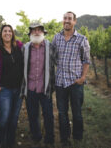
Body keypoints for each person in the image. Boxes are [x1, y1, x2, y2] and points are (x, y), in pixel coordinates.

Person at [52, 11, 90, 146]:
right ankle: (64, 137)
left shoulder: (81, 39)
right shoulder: (56, 38)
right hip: (60, 82)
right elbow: (53, 57)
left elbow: (86, 60)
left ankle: (78, 137)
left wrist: (82, 77)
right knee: (62, 113)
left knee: (77, 112)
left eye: (70, 19)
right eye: (65, 18)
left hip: (75, 82)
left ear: (75, 21)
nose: (67, 21)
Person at [0, 24, 24, 148]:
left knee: (14, 118)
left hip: (19, 88)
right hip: (4, 90)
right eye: (4, 31)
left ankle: (10, 141)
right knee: (5, 117)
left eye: (9, 31)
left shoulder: (19, 46)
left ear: (12, 33)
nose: (7, 33)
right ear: (1, 34)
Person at [20, 22, 56, 146]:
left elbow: (58, 62)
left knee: (48, 115)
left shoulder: (50, 47)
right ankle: (36, 136)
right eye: (33, 30)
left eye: (39, 30)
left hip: (45, 87)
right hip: (30, 88)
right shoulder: (25, 48)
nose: (36, 32)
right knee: (32, 115)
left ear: (43, 33)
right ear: (30, 34)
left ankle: (49, 138)